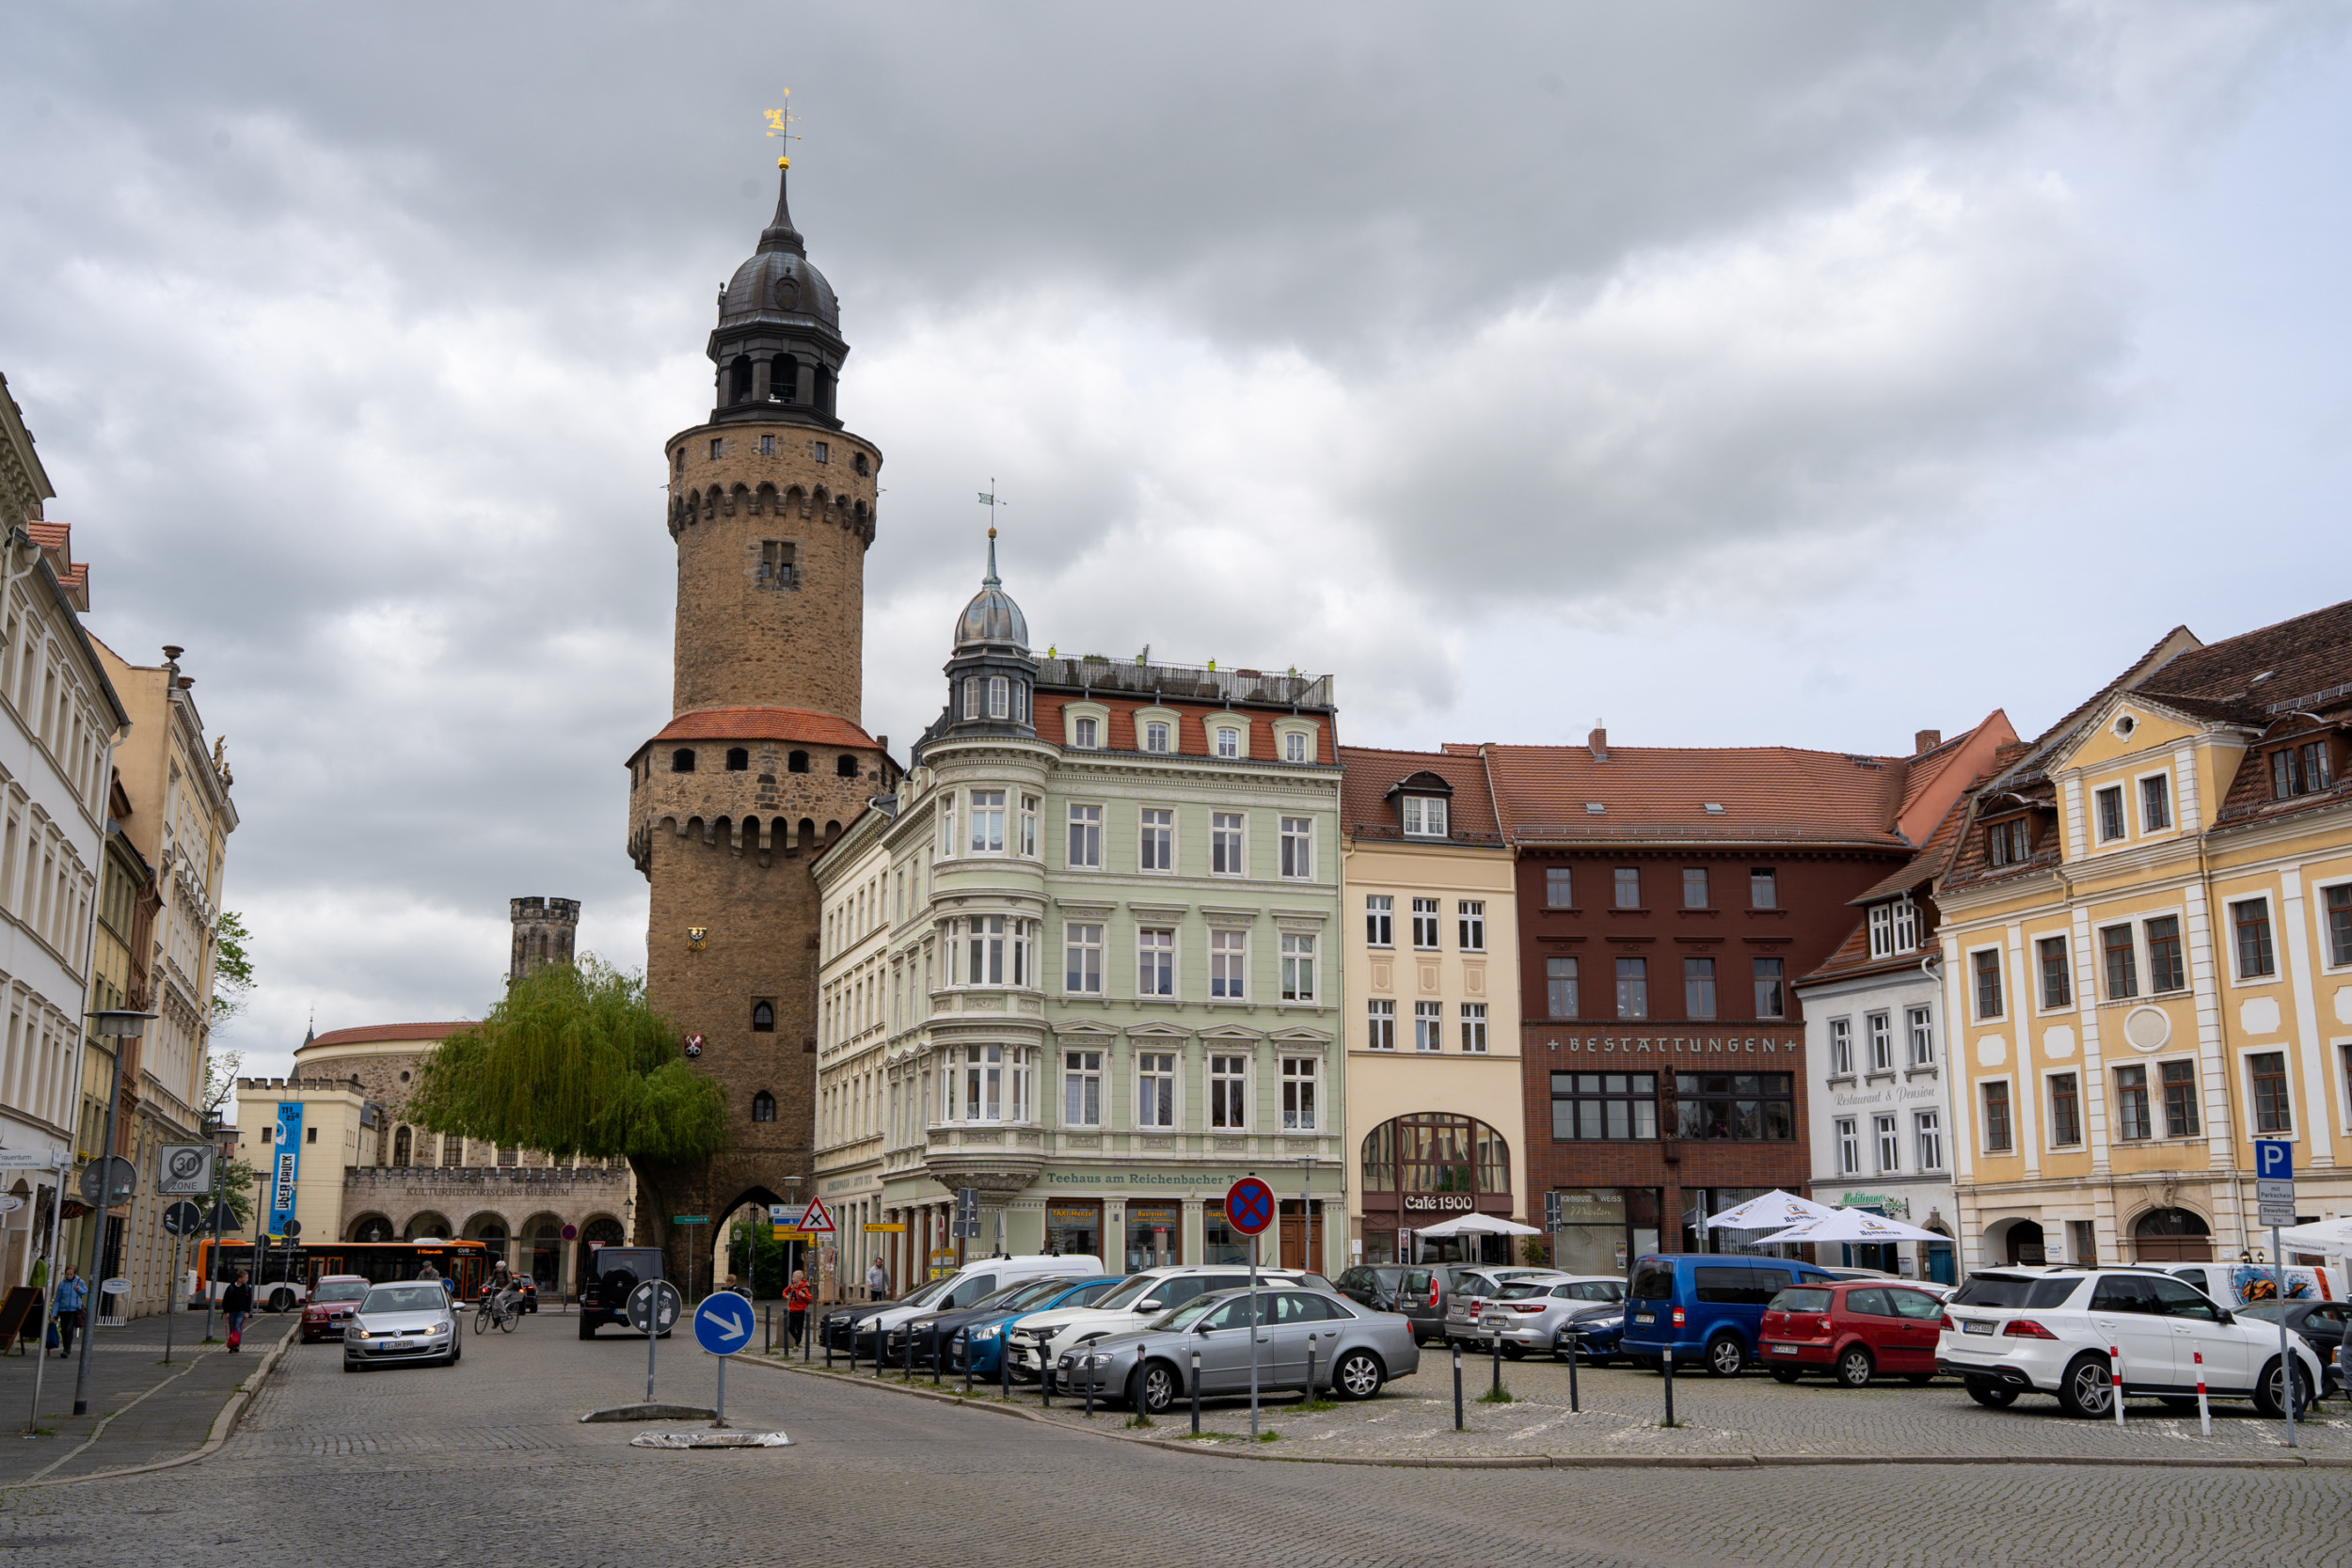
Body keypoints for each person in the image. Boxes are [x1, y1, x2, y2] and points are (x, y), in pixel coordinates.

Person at [52, 1264, 87, 1359]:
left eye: (71, 1274)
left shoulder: (79, 1282)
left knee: (69, 1329)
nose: (69, 1276)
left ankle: (67, 1349)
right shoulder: (62, 1284)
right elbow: (57, 1299)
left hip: (74, 1310)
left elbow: (85, 1291)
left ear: (75, 1274)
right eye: (67, 1274)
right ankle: (65, 1348)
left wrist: (79, 1289)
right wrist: (54, 1314)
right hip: (63, 1310)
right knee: (64, 1330)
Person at [221, 1270, 253, 1352]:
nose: (247, 1279)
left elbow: (249, 1301)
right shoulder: (231, 1288)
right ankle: (232, 1345)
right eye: (246, 1278)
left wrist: (247, 1311)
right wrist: (226, 1312)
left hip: (241, 1311)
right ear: (240, 1279)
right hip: (231, 1311)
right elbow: (225, 1300)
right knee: (232, 1329)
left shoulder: (247, 1288)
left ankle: (236, 1345)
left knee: (237, 1328)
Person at [784, 1269, 812, 1349]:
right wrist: (786, 1296)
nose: (792, 1278)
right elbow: (784, 1291)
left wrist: (803, 1296)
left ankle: (797, 1344)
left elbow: (809, 1299)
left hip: (800, 1311)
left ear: (798, 1278)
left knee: (799, 1328)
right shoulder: (792, 1286)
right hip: (792, 1310)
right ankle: (797, 1339)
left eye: (794, 1277)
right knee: (791, 1328)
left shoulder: (804, 1288)